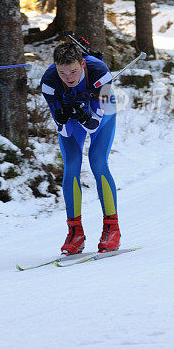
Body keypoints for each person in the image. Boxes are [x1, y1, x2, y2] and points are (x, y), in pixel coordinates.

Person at [40, 41, 121, 254]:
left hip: (100, 112)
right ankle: (75, 232)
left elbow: (95, 123)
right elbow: (63, 130)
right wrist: (65, 114)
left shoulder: (100, 75)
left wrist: (81, 113)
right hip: (76, 116)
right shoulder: (49, 83)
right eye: (63, 73)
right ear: (55, 68)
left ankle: (112, 228)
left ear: (82, 64)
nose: (69, 78)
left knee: (98, 161)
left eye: (74, 71)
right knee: (72, 164)